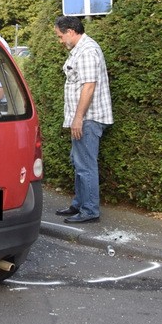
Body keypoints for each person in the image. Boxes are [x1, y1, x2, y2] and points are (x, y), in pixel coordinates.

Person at [53, 15, 113, 223]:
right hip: (82, 118)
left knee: (85, 165)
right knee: (78, 162)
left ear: (70, 31)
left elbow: (89, 86)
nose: (60, 41)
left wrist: (78, 118)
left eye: (61, 37)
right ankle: (79, 204)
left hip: (88, 118)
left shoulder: (87, 51)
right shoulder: (81, 50)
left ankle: (89, 211)